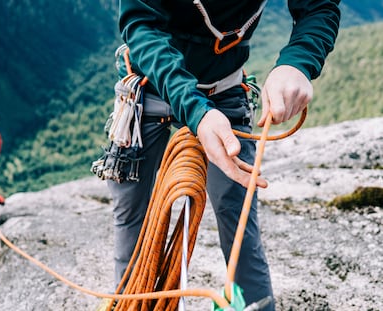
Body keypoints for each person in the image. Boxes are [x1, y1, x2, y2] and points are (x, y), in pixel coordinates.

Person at [107, 0, 341, 309]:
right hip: (153, 86)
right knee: (133, 225)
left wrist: (298, 61)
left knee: (240, 222)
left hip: (223, 90)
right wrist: (196, 111)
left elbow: (318, 5)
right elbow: (141, 24)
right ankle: (130, 304)